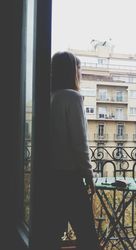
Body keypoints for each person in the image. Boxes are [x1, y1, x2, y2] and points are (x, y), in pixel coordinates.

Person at [48, 51, 100, 250]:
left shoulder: (50, 97)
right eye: (79, 69)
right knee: (87, 235)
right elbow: (80, 143)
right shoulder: (72, 97)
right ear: (72, 71)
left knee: (51, 232)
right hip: (70, 176)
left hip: (51, 175)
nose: (81, 73)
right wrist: (89, 175)